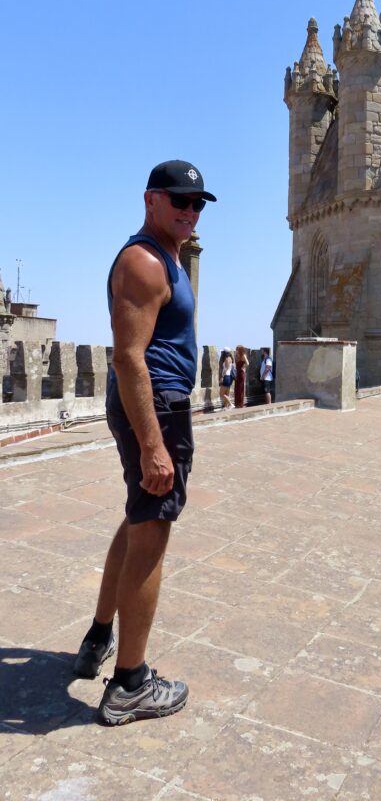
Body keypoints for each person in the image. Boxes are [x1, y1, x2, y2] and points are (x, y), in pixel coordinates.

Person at [72, 159, 216, 726]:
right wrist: (155, 446)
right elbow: (130, 356)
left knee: (138, 519)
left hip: (153, 405)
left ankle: (99, 637)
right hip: (154, 407)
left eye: (198, 203)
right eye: (179, 200)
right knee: (152, 529)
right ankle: (130, 683)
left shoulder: (169, 256)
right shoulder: (143, 262)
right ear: (150, 200)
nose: (190, 210)